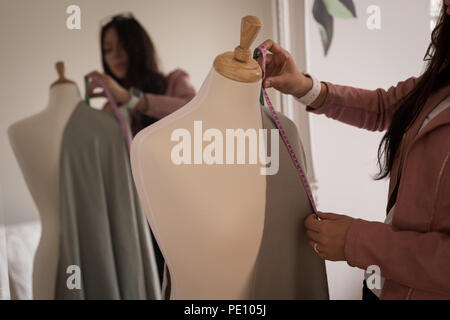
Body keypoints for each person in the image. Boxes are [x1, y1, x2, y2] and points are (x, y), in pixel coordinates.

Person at [257, 1, 449, 300]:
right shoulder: (442, 79)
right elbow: (385, 106)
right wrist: (303, 86)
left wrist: (358, 241)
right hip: (383, 282)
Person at [86, 13, 196, 287]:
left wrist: (132, 99)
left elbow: (196, 115)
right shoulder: (109, 111)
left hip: (181, 212)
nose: (115, 55)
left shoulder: (174, 82)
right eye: (108, 49)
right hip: (134, 220)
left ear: (139, 46)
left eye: (123, 45)